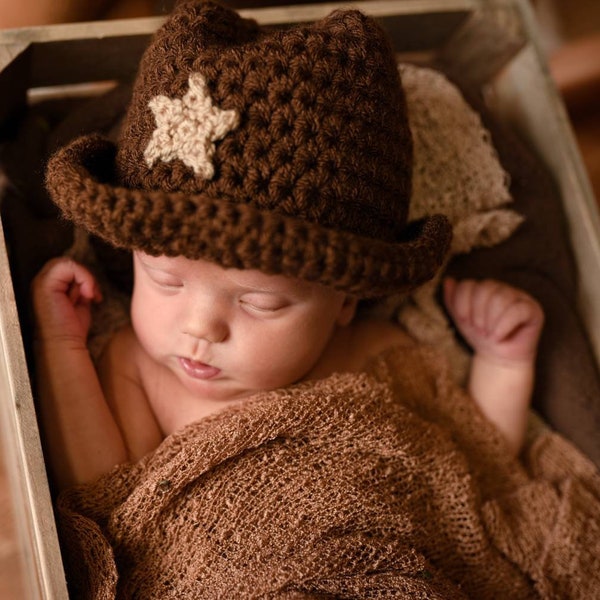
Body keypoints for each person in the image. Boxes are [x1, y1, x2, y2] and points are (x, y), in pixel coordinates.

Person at [31, 0, 543, 492]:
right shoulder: (141, 368)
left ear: (345, 299)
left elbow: (477, 464)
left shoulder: (377, 353)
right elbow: (97, 488)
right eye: (164, 280)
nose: (199, 326)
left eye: (261, 301)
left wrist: (504, 363)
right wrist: (61, 346)